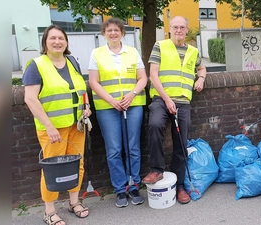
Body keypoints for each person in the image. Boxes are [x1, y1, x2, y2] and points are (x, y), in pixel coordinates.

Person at [23, 25, 90, 225]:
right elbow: (30, 99)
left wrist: (86, 107)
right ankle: (49, 211)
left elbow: (81, 89)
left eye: (61, 38)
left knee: (77, 165)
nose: (57, 42)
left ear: (66, 42)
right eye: (52, 38)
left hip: (76, 125)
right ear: (45, 42)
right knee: (52, 170)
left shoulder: (72, 61)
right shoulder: (36, 65)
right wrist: (49, 127)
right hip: (52, 129)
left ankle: (74, 203)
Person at [142, 16, 207, 204]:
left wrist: (201, 78)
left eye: (182, 27)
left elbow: (201, 68)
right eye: (175, 27)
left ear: (187, 30)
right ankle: (157, 170)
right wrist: (166, 99)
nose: (179, 30)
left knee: (181, 142)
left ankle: (179, 186)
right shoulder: (160, 45)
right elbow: (153, 76)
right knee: (154, 125)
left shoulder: (194, 51)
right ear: (170, 29)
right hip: (161, 99)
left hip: (183, 102)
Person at [88, 18, 147, 208]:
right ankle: (120, 189)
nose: (113, 33)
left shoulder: (133, 52)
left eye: (116, 30)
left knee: (133, 147)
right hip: (108, 108)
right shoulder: (96, 54)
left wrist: (132, 95)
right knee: (114, 150)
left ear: (122, 33)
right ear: (104, 33)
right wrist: (112, 101)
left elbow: (142, 78)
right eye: (109, 30)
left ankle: (134, 185)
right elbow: (94, 82)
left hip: (133, 105)